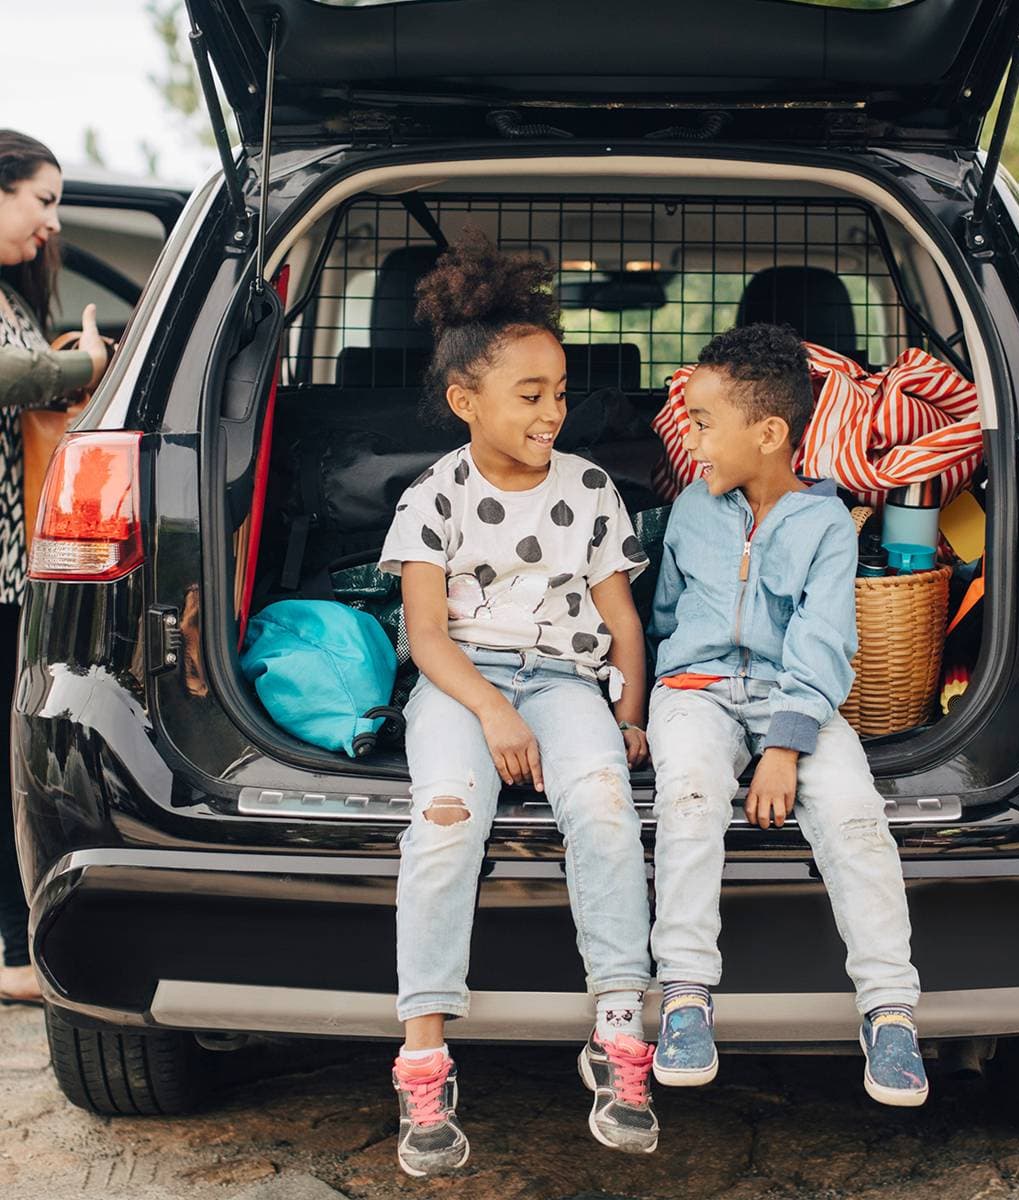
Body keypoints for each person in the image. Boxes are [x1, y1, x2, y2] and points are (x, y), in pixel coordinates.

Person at [378, 231, 658, 1176]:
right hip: (463, 683)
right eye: (530, 396)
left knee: (606, 810)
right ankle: (423, 1058)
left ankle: (618, 1031)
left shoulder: (591, 489)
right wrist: (494, 713)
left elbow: (621, 620)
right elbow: (426, 637)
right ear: (466, 401)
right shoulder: (433, 497)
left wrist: (628, 717)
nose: (553, 413)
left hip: (567, 682)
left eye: (561, 394)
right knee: (445, 823)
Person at [644, 324, 929, 1106]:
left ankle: (890, 1009)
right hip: (694, 689)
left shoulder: (827, 524)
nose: (689, 441)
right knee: (691, 797)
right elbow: (667, 614)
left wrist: (785, 746)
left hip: (794, 696)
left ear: (769, 435)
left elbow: (823, 642)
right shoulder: (691, 509)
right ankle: (685, 993)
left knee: (855, 817)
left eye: (703, 424)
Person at [0, 131, 108, 1006]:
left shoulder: (11, 293)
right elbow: (12, 374)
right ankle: (11, 952)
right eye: (42, 199)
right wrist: (84, 363)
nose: (52, 223)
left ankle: (13, 944)